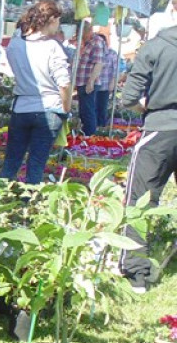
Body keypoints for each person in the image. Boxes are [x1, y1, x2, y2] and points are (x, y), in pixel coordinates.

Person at [118, 22, 177, 293]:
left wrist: (148, 107)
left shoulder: (156, 46)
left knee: (140, 199)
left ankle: (136, 270)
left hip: (160, 128)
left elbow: (129, 96)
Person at [0, 1, 73, 184]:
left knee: (11, 160)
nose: (59, 26)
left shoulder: (15, 44)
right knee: (36, 164)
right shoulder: (52, 47)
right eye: (58, 21)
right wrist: (66, 108)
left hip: (21, 107)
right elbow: (64, 83)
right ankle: (28, 205)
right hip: (49, 108)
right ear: (52, 19)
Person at [74, 23, 107, 136]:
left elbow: (99, 63)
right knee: (84, 110)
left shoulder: (96, 42)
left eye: (81, 33)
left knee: (88, 111)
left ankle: (89, 136)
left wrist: (91, 81)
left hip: (88, 82)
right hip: (82, 81)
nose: (79, 35)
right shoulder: (87, 43)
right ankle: (85, 134)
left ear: (88, 31)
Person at [95, 43, 119, 130]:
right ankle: (95, 128)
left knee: (102, 108)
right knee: (93, 109)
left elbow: (115, 70)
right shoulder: (95, 52)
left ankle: (101, 128)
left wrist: (112, 83)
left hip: (105, 85)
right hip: (93, 85)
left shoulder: (112, 53)